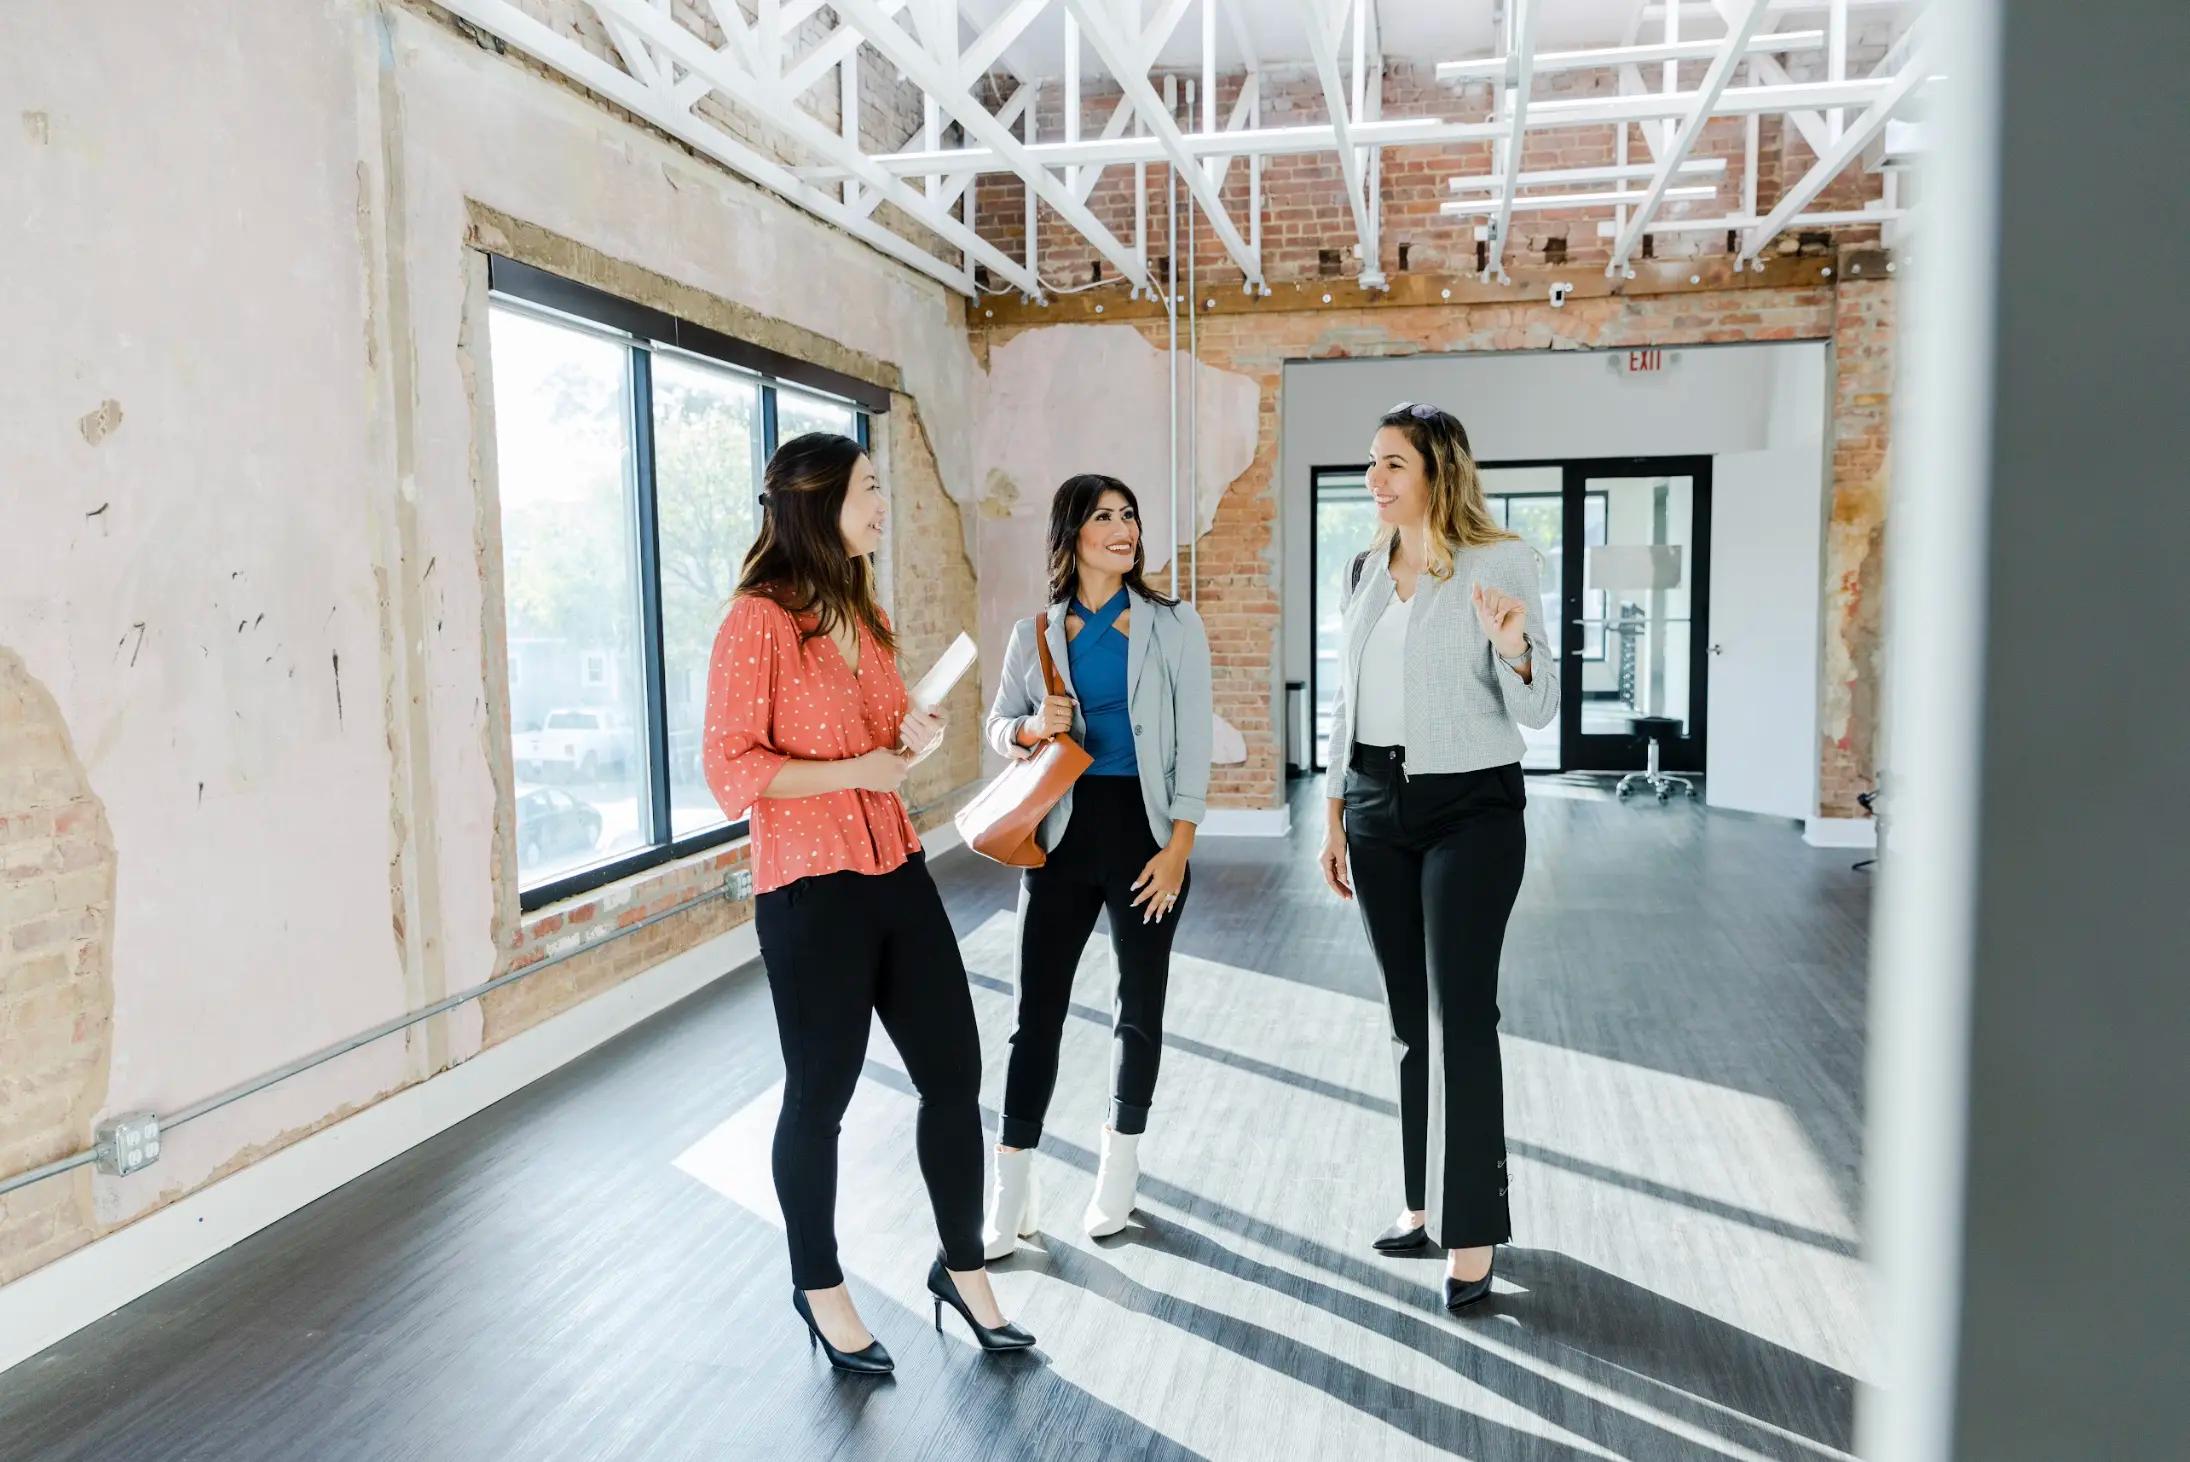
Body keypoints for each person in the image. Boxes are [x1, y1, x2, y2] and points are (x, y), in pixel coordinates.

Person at [703, 431, 1033, 1373]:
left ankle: (962, 1269)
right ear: (818, 503)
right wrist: (861, 764)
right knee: (821, 1096)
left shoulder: (864, 611)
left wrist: (911, 734)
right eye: (870, 489)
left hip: (895, 865)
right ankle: (821, 1288)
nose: (883, 505)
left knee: (953, 1072)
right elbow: (733, 768)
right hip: (809, 889)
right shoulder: (755, 622)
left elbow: (882, 745)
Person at [1316, 404, 1558, 1312]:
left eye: (1392, 465)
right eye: (1370, 463)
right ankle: (1422, 1204)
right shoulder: (1361, 567)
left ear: (1437, 472)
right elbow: (1345, 706)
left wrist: (1514, 647)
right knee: (1407, 1019)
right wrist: (1335, 814)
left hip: (1472, 810)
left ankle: (1472, 1232)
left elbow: (1538, 713)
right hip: (1378, 807)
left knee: (1462, 1014)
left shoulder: (1502, 563)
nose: (1374, 480)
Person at [980, 474, 1213, 1254]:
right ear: (1072, 534)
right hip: (1060, 839)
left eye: (1130, 515)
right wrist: (1026, 729)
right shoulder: (1035, 633)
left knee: (1137, 1004)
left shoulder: (1173, 625)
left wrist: (1180, 847)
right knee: (1033, 1012)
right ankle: (1012, 1180)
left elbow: (1193, 745)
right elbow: (997, 725)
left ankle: (1120, 1166)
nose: (1124, 528)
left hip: (1146, 838)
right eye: (1105, 516)